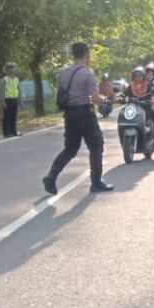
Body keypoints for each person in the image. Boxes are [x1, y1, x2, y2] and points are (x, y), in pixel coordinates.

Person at [42, 42, 113, 195]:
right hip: (85, 114)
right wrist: (104, 99)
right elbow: (95, 98)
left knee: (70, 149)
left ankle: (51, 176)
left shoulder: (63, 73)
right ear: (87, 54)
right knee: (96, 146)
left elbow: (59, 96)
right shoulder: (88, 73)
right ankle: (96, 183)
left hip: (69, 114)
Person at [124, 68, 154, 150]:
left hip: (146, 108)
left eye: (140, 76)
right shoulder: (130, 86)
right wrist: (121, 98)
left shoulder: (149, 85)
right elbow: (124, 95)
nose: (138, 78)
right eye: (136, 76)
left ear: (143, 77)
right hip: (133, 109)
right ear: (133, 77)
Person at [0, 62, 22, 138]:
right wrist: (3, 102)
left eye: (13, 68)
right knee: (7, 117)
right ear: (6, 70)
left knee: (13, 116)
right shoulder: (4, 79)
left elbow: (18, 90)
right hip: (7, 99)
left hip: (14, 99)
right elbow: (1, 91)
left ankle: (13, 131)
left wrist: (20, 101)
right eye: (9, 68)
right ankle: (7, 133)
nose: (11, 70)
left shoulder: (16, 79)